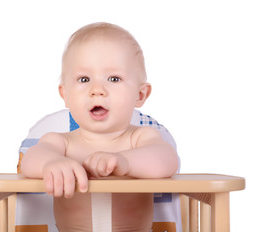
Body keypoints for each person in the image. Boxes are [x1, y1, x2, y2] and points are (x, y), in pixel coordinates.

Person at [21, 22, 179, 232]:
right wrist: (51, 162)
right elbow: (30, 160)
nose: (97, 90)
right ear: (65, 95)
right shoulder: (60, 142)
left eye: (114, 78)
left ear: (140, 95)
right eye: (84, 79)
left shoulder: (142, 138)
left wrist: (125, 162)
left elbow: (166, 161)